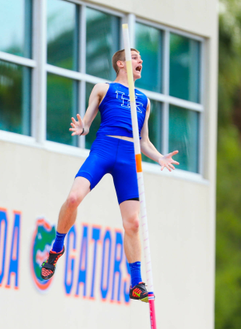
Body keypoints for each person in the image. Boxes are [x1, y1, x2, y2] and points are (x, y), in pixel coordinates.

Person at [41, 48, 179, 302]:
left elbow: (144, 140)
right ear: (120, 63)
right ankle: (57, 247)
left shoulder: (144, 100)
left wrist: (159, 157)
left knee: (133, 223)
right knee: (73, 198)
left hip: (128, 157)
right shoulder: (103, 88)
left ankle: (136, 283)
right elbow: (87, 123)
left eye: (140, 57)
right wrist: (82, 127)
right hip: (104, 149)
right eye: (135, 56)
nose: (140, 60)